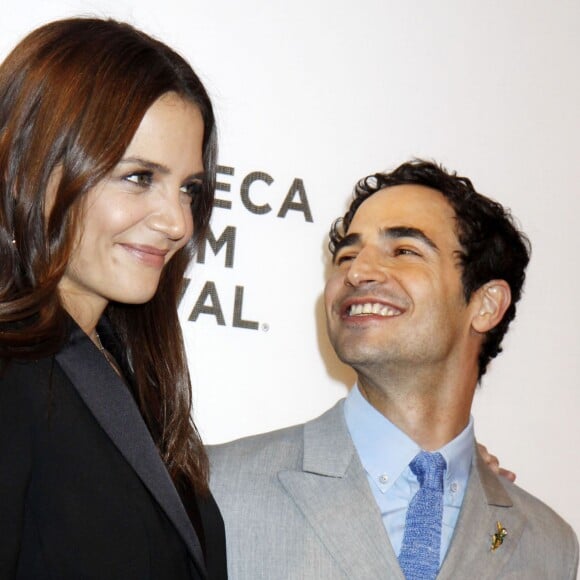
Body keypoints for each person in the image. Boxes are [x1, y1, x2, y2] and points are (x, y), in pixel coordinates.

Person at [209, 160, 579, 579]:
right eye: (347, 254)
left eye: (404, 251)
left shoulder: (549, 545)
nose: (357, 272)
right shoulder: (215, 487)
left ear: (486, 304)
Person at [0, 18, 226, 579]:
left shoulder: (129, 376)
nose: (177, 222)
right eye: (139, 177)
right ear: (37, 167)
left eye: (189, 189)